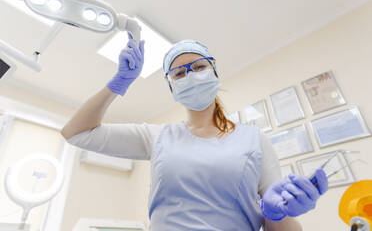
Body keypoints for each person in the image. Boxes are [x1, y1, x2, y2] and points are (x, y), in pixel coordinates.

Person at [61, 38, 328, 231]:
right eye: (179, 73)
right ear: (171, 86)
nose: (190, 75)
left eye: (199, 67)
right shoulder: (157, 136)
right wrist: (118, 83)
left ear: (214, 72)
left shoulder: (254, 139)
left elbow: (281, 227)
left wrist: (277, 214)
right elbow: (76, 133)